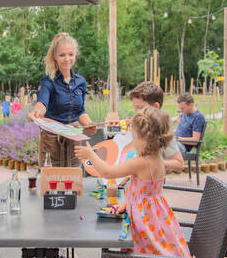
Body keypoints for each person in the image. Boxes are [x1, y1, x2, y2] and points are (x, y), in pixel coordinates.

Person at [75, 107, 191, 257]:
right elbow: (146, 195)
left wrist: (91, 154)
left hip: (144, 219)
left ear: (145, 139)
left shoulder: (141, 163)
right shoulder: (158, 160)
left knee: (145, 250)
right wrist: (127, 204)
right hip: (156, 214)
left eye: (133, 136)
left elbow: (107, 172)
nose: (132, 141)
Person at [29, 32, 96, 167]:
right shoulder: (48, 81)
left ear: (75, 55)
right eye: (62, 55)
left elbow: (80, 111)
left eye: (71, 54)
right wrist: (37, 112)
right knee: (51, 181)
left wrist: (89, 124)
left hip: (74, 139)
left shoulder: (81, 82)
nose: (67, 59)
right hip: (51, 140)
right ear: (55, 56)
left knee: (73, 180)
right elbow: (42, 103)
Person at [128, 82, 184, 170]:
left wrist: (151, 163)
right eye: (135, 108)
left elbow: (179, 164)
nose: (136, 113)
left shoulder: (161, 131)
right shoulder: (139, 125)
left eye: (140, 108)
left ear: (156, 106)